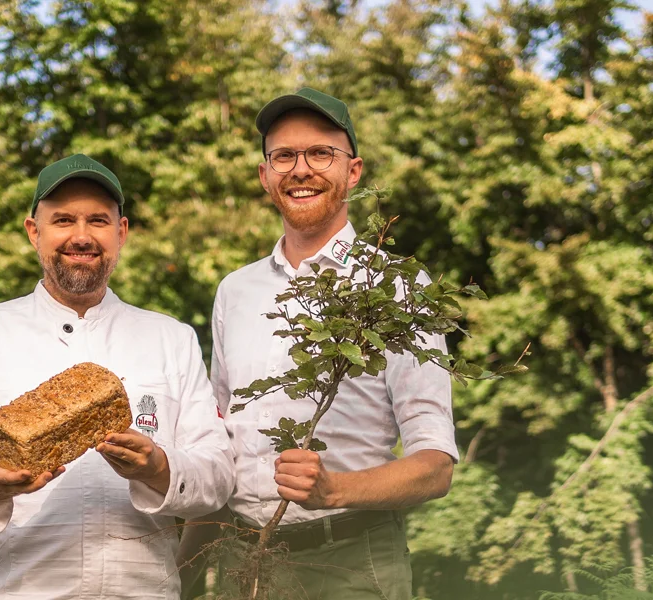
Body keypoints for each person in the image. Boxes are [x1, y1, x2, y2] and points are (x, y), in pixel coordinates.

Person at [0, 154, 234, 599]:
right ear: (33, 232)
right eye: (62, 220)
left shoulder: (170, 338)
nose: (81, 236)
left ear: (121, 232)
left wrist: (158, 467)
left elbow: (217, 473)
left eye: (98, 220)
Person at [178, 88, 458, 599]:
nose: (300, 169)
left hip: (351, 563)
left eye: (321, 153)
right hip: (243, 563)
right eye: (284, 156)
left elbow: (436, 466)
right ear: (265, 175)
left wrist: (334, 490)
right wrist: (182, 575)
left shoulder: (396, 287)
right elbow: (218, 445)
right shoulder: (235, 292)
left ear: (353, 171)